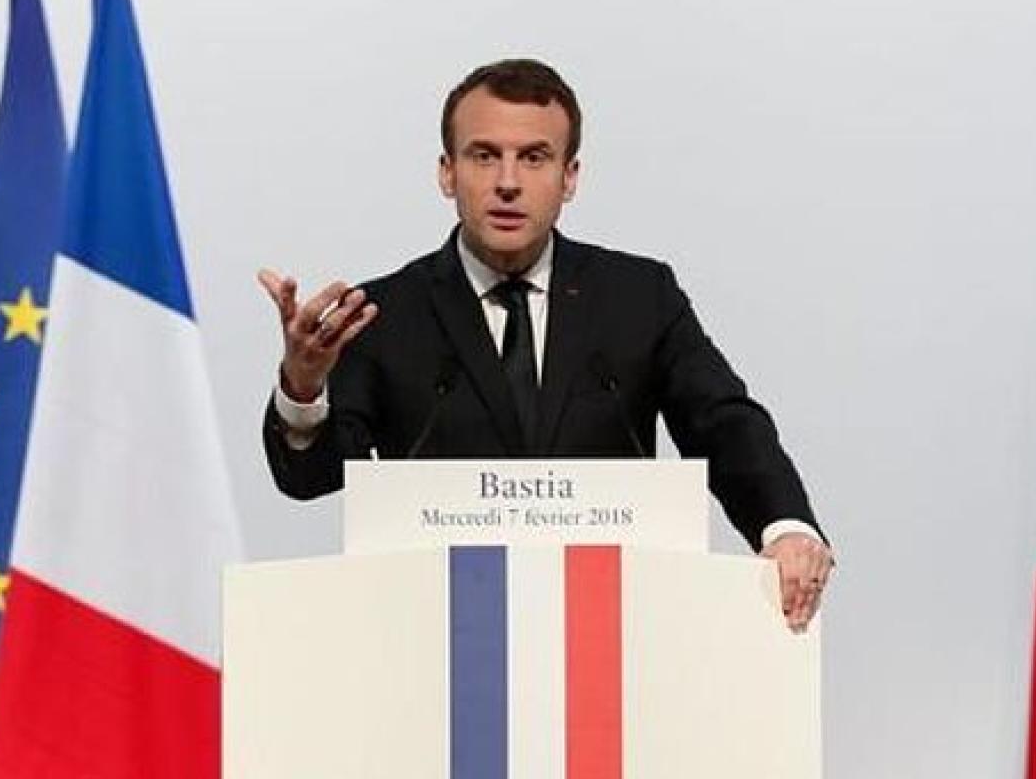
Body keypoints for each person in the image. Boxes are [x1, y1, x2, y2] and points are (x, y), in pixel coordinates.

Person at [258, 58, 833, 631]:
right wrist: (303, 387)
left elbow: (724, 423)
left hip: (610, 637)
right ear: (447, 173)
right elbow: (314, 478)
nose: (508, 182)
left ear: (570, 177)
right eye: (484, 155)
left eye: (534, 158)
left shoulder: (638, 297)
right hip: (436, 639)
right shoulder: (382, 313)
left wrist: (785, 528)